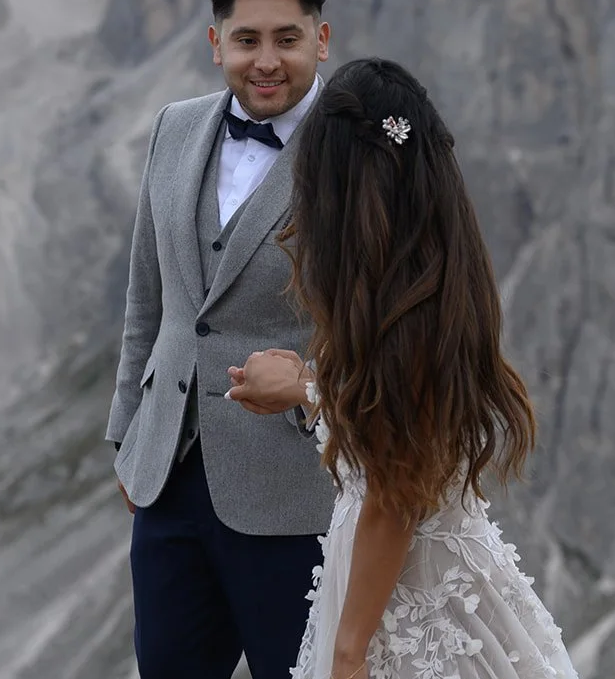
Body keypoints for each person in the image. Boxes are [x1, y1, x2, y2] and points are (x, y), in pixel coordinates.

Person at [226, 57, 580, 679]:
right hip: (402, 583)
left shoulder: (404, 306)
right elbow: (390, 415)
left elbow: (394, 493)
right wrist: (310, 385)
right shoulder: (419, 282)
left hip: (406, 606)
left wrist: (349, 651)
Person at [105, 0, 339, 679]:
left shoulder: (356, 152)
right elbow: (149, 294)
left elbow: (386, 321)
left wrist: (311, 386)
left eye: (287, 39)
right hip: (167, 479)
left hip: (294, 492)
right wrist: (125, 433)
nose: (266, 61)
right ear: (217, 44)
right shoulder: (174, 128)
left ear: (321, 40)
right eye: (246, 40)